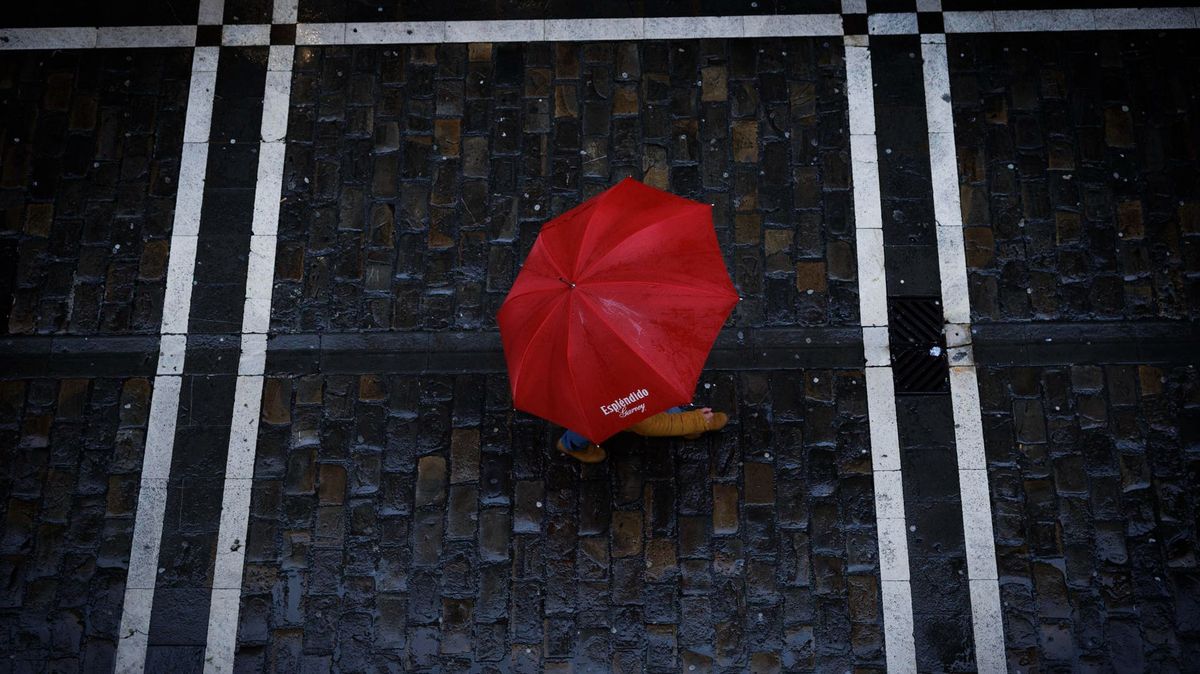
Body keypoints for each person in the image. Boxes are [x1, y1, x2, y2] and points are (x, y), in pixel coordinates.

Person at [556, 406, 729, 463]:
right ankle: (569, 445)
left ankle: (569, 443)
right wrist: (695, 421)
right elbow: (649, 425)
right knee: (591, 424)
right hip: (611, 404)